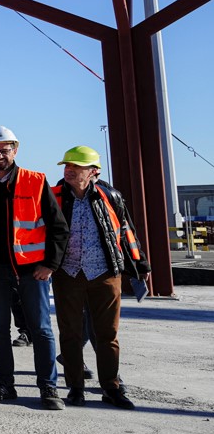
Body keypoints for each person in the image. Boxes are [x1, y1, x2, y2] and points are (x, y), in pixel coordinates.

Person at [0, 126, 69, 410]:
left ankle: (48, 388)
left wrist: (50, 264)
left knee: (41, 329)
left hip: (32, 270)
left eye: (5, 149)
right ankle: (4, 385)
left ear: (16, 149)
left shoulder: (36, 181)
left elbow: (59, 228)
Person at [49, 146, 150, 410]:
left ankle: (111, 387)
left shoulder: (111, 197)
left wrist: (140, 263)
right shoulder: (54, 196)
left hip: (105, 274)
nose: (68, 171)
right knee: (70, 333)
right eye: (66, 166)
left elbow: (127, 232)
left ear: (93, 171)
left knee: (108, 334)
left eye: (76, 167)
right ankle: (75, 388)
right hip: (67, 274)